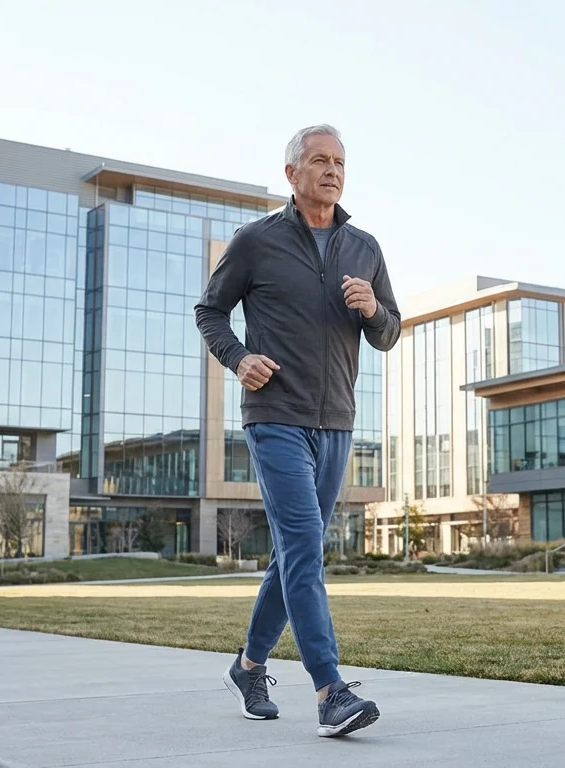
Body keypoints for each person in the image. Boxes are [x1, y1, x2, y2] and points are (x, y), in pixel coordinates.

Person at [195, 125, 400, 738]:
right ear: (292, 173)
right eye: (319, 160)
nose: (332, 171)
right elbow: (210, 310)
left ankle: (248, 667)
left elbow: (389, 331)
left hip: (336, 420)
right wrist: (239, 359)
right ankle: (330, 690)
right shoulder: (256, 240)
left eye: (339, 162)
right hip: (275, 415)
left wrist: (373, 309)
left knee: (293, 554)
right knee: (306, 544)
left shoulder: (364, 247)